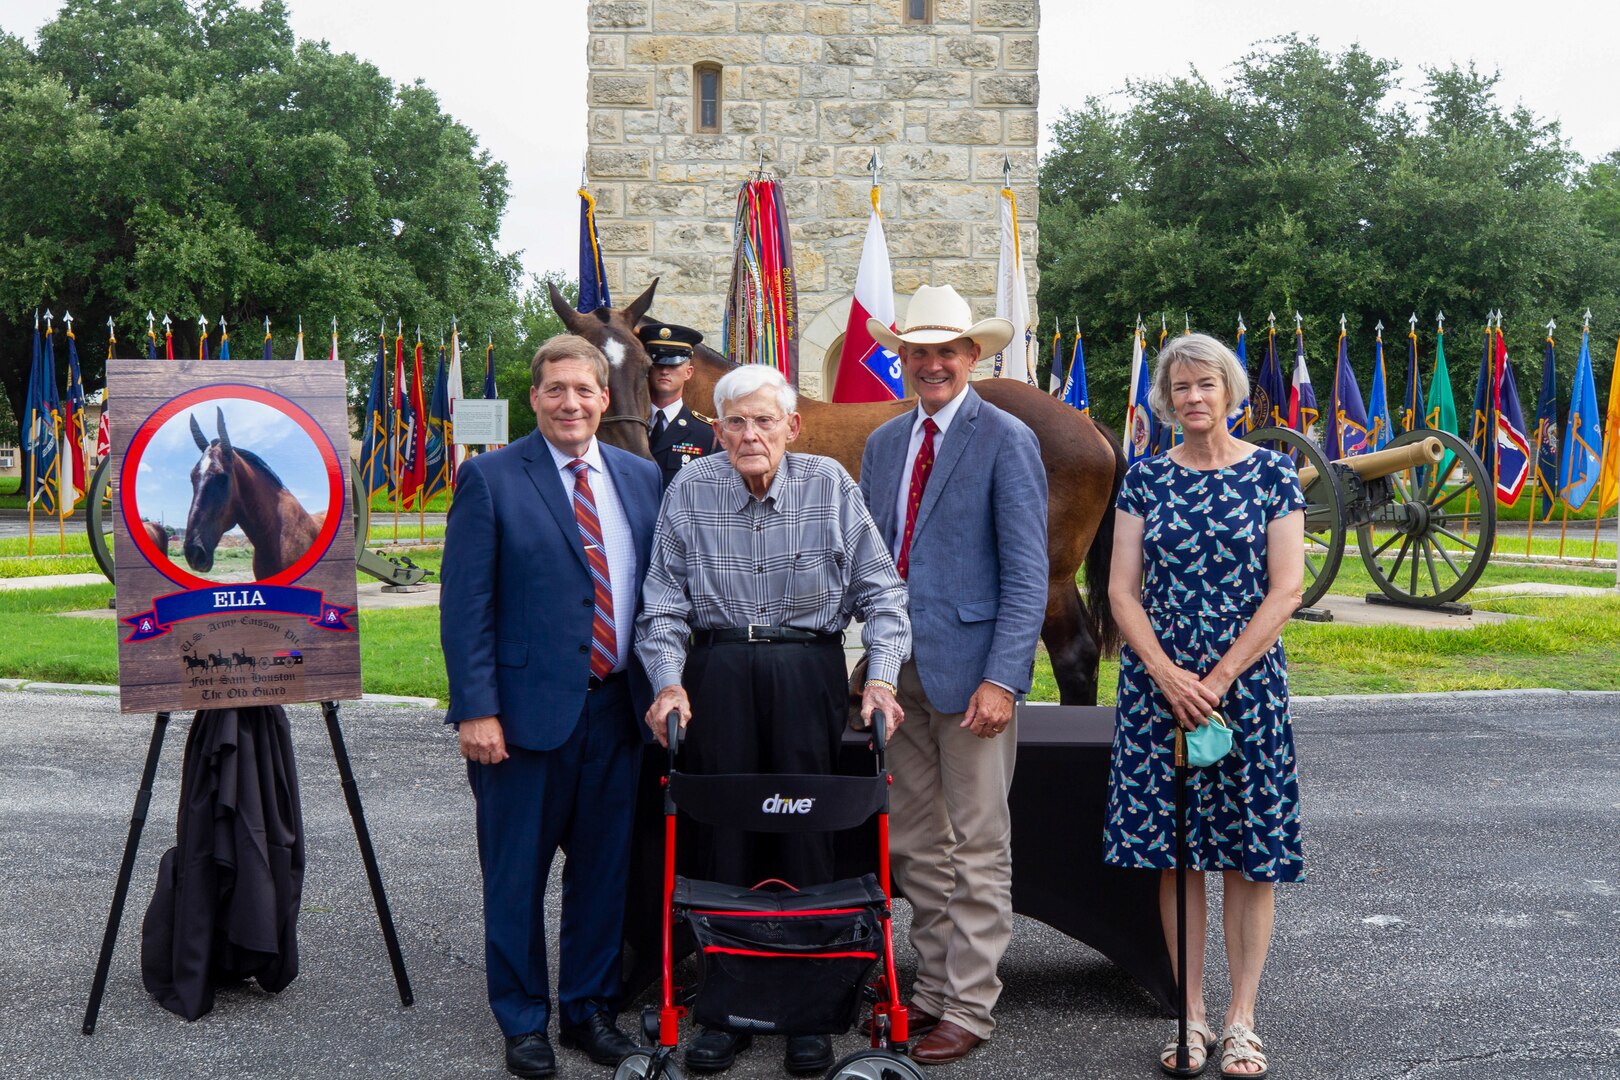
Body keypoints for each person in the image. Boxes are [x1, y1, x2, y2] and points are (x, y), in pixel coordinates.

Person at [636, 363, 910, 1076]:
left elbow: (884, 596)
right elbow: (662, 605)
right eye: (735, 422)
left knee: (807, 837)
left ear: (793, 426)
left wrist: (879, 680)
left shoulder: (828, 484)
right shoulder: (692, 487)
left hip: (806, 672)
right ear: (716, 428)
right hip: (718, 672)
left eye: (764, 421)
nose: (749, 434)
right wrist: (668, 684)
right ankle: (725, 1007)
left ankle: (809, 1011)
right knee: (721, 837)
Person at [441, 334, 663, 1078]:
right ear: (533, 397)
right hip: (520, 719)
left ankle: (589, 1012)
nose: (572, 402)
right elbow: (465, 606)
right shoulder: (493, 479)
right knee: (515, 876)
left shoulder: (640, 478)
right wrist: (477, 709)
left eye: (586, 390)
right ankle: (522, 1020)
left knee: (602, 875)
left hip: (617, 713)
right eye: (556, 389)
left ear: (607, 398)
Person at [1102, 333, 1305, 1079]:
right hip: (1160, 691)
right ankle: (1188, 1018)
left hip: (1244, 688)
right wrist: (1167, 674)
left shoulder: (1274, 476)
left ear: (1231, 391)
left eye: (1205, 385)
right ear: (1166, 398)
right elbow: (1122, 591)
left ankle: (1242, 1020)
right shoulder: (1145, 480)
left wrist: (1215, 680)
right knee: (1180, 854)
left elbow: (1286, 589)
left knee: (1251, 860)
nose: (1192, 398)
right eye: (1179, 387)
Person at [857, 284, 1049, 1066]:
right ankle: (930, 990)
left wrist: (1004, 679)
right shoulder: (882, 443)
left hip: (974, 678)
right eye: (918, 352)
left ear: (973, 356)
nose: (931, 364)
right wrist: (865, 665)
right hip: (895, 675)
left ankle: (970, 1006)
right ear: (900, 358)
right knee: (913, 845)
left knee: (977, 844)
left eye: (947, 351)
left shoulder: (1006, 438)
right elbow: (870, 562)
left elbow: (1028, 573)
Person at [638, 320, 717, 489]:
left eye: (673, 364)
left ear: (689, 373)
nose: (665, 370)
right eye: (658, 363)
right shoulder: (630, 426)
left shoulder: (707, 434)